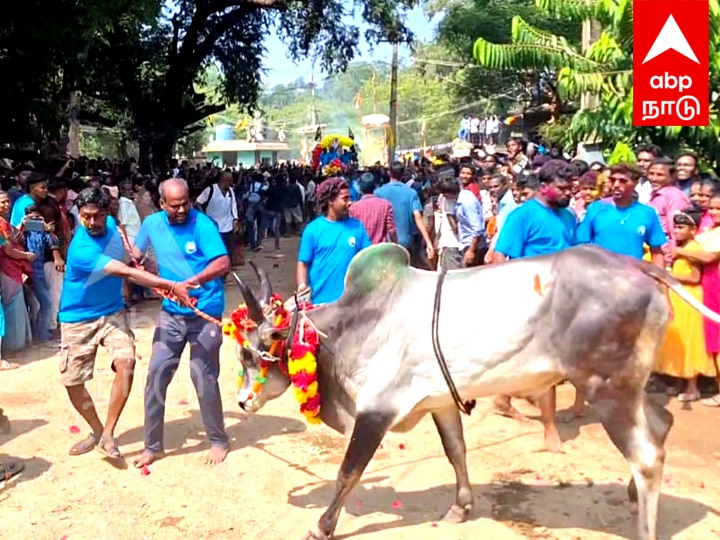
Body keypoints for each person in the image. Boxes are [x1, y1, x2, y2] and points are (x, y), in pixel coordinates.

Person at [60, 187, 193, 460]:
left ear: (107, 212)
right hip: (77, 317)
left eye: (97, 215)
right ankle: (96, 430)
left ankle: (108, 433)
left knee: (127, 362)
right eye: (85, 216)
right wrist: (170, 285)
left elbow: (127, 254)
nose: (92, 222)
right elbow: (125, 271)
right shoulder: (80, 250)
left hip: (112, 312)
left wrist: (146, 263)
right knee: (73, 381)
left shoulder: (110, 224)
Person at [132, 178, 232, 468]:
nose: (181, 210)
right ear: (161, 204)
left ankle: (218, 439)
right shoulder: (151, 225)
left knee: (202, 376)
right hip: (171, 314)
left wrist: (192, 282)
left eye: (185, 203)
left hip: (206, 313)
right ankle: (153, 446)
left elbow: (222, 263)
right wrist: (139, 268)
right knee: (156, 376)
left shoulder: (203, 225)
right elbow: (135, 258)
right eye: (174, 205)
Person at [297, 177, 371, 304]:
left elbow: (369, 259)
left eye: (350, 198)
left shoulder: (357, 227)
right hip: (320, 305)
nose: (350, 203)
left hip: (351, 304)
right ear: (331, 200)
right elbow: (303, 264)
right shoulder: (312, 230)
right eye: (345, 198)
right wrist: (302, 286)